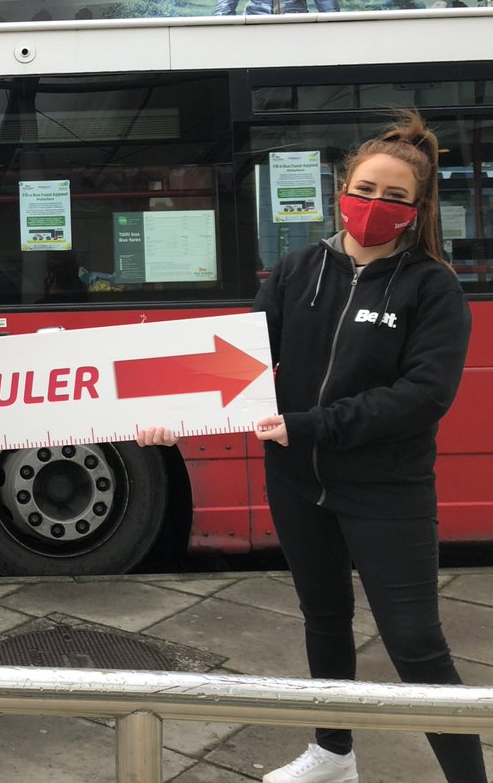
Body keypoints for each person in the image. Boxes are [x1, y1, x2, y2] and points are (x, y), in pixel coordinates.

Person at [141, 111, 484, 783]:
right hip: (298, 482)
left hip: (386, 490)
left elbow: (423, 396)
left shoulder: (431, 287)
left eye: (394, 198)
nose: (374, 206)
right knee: (323, 616)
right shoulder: (299, 270)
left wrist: (311, 422)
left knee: (416, 643)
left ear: (416, 211)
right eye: (365, 189)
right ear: (340, 191)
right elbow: (236, 363)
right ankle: (333, 753)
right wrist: (174, 415)